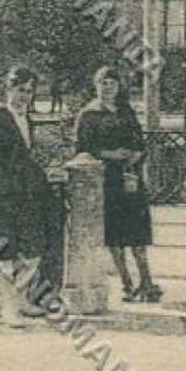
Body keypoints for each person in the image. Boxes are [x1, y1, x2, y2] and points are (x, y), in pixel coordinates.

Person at [72, 66, 161, 303]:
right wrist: (109, 154)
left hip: (130, 179)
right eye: (103, 83)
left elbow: (140, 142)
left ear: (118, 87)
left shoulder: (126, 111)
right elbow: (81, 149)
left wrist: (135, 155)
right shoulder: (88, 115)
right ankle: (126, 283)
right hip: (106, 180)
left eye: (112, 83)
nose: (108, 87)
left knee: (138, 233)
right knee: (115, 235)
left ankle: (146, 281)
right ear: (96, 85)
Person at [0, 66, 60, 325]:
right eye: (19, 90)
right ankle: (9, 309)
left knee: (32, 251)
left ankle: (21, 300)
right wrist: (6, 195)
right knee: (5, 255)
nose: (24, 96)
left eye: (28, 91)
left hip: (28, 198)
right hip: (6, 199)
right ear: (8, 89)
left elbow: (26, 159)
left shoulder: (27, 119)